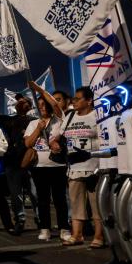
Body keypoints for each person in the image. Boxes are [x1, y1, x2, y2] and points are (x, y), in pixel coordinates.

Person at [53, 86, 103, 247]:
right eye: (73, 99)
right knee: (76, 203)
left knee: (97, 204)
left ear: (89, 101)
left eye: (77, 98)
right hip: (74, 167)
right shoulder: (70, 116)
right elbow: (57, 136)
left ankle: (99, 236)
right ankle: (77, 235)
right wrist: (54, 143)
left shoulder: (97, 116)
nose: (74, 101)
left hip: (95, 167)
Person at [0, 84, 39, 234]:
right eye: (18, 101)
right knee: (16, 195)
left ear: (30, 106)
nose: (19, 102)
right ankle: (20, 220)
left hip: (30, 163)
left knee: (35, 193)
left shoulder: (35, 121)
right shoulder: (9, 120)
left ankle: (41, 220)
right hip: (12, 162)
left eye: (23, 101)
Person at [24, 97, 71, 242]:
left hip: (58, 166)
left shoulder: (59, 121)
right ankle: (45, 229)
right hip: (39, 167)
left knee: (60, 199)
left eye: (44, 104)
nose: (42, 107)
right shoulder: (33, 123)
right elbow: (28, 143)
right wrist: (39, 128)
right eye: (39, 105)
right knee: (42, 199)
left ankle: (64, 228)